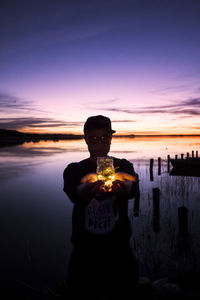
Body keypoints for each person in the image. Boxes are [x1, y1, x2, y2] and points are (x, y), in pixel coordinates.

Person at [63, 115, 140, 300]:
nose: (100, 143)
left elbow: (132, 189)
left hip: (119, 250)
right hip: (85, 252)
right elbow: (74, 192)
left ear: (111, 138)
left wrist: (125, 186)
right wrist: (87, 188)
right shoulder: (74, 169)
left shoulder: (124, 165)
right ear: (86, 140)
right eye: (94, 138)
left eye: (105, 137)